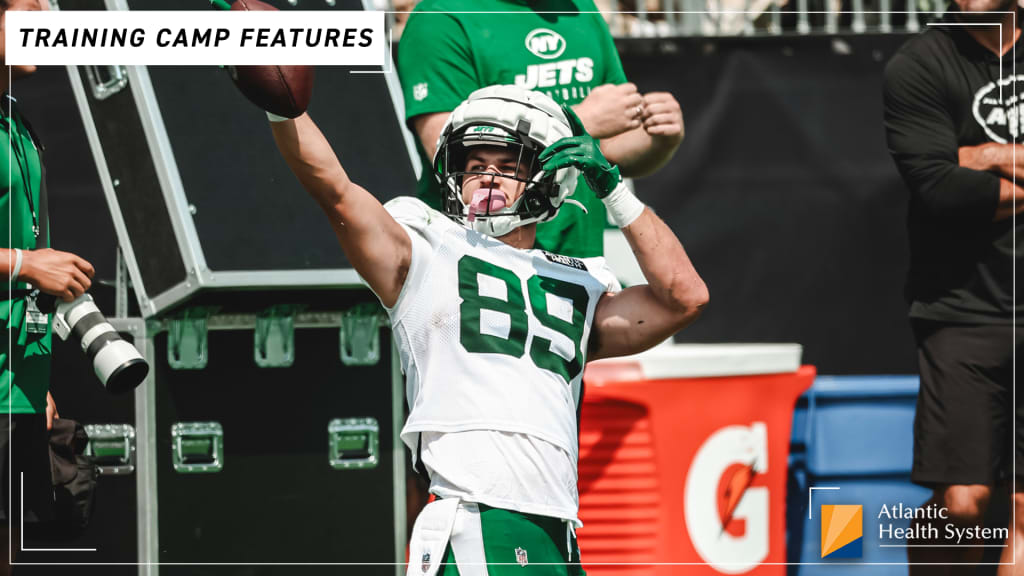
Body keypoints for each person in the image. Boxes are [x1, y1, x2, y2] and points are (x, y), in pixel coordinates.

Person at [262, 84, 707, 573]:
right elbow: (335, 191)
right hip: (477, 515)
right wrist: (282, 105)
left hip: (559, 528)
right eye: (475, 166)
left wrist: (614, 191)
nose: (487, 178)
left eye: (508, 164)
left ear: (549, 179)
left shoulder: (578, 281)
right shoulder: (425, 248)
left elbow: (685, 297)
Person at [883, 0, 1023, 572]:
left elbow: (956, 174)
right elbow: (939, 191)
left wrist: (982, 156)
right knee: (964, 505)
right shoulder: (918, 63)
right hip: (961, 308)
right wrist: (957, 168)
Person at [397, 0, 685, 259]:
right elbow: (446, 153)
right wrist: (579, 120)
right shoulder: (440, 17)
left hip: (579, 262)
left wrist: (658, 139)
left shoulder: (580, 8)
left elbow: (605, 149)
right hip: (478, 266)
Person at [0, 0, 95, 571]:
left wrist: (35, 380)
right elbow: (26, 263)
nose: (44, 13)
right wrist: (24, 266)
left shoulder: (14, 116)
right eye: (26, 3)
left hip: (16, 387)